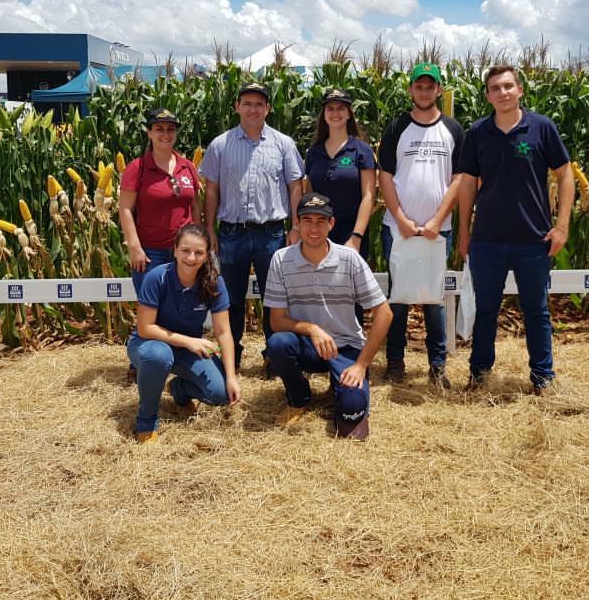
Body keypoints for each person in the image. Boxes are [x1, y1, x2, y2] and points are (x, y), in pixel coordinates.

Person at [457, 65, 574, 395]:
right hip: (487, 240)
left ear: (520, 90)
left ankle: (542, 378)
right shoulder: (478, 133)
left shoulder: (542, 128)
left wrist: (561, 227)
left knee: (536, 310)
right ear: (487, 96)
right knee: (486, 311)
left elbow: (565, 176)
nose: (503, 92)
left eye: (508, 86)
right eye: (495, 88)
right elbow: (467, 185)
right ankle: (479, 375)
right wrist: (464, 233)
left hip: (533, 240)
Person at [264, 193, 392, 440]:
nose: (313, 228)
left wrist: (361, 365)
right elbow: (276, 321)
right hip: (308, 346)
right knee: (277, 344)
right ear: (297, 223)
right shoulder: (281, 260)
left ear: (331, 224)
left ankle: (343, 390)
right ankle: (299, 397)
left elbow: (384, 314)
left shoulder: (349, 258)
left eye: (320, 221)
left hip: (345, 348)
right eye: (307, 220)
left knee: (352, 416)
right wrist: (312, 328)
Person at [199, 81, 305, 372]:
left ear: (268, 108)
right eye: (247, 103)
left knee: (274, 299)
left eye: (259, 104)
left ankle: (275, 356)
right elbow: (211, 191)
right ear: (236, 107)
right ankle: (230, 357)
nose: (253, 109)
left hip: (271, 232)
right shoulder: (220, 145)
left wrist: (295, 227)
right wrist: (210, 231)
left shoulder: (284, 144)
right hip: (231, 232)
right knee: (229, 298)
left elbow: (295, 187)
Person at [377, 62, 464, 388]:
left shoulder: (453, 129)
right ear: (411, 89)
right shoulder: (397, 127)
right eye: (419, 86)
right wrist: (400, 219)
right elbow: (385, 175)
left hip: (438, 229)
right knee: (398, 298)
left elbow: (458, 178)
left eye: (430, 86)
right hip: (397, 227)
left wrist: (437, 220)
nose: (424, 91)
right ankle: (395, 363)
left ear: (439, 90)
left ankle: (437, 366)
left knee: (433, 298)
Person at [127, 224, 241, 444]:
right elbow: (145, 327)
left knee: (221, 393)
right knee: (158, 356)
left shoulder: (214, 282)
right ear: (175, 249)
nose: (191, 257)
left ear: (207, 254)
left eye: (199, 252)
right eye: (185, 250)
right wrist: (188, 341)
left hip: (186, 349)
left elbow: (224, 331)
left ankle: (179, 390)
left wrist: (231, 377)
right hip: (149, 344)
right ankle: (146, 422)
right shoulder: (156, 278)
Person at [119, 108, 202, 294]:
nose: (166, 134)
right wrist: (134, 247)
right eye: (159, 129)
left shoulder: (187, 166)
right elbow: (125, 208)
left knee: (183, 306)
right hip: (150, 254)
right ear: (149, 132)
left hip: (184, 252)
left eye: (171, 129)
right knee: (152, 310)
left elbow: (195, 206)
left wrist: (199, 245)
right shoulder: (137, 168)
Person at [303, 88, 377, 259]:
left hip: (351, 234)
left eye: (340, 108)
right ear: (324, 114)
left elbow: (368, 196)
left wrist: (356, 237)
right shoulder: (314, 152)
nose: (335, 113)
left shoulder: (361, 150)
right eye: (330, 109)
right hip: (319, 233)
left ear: (349, 114)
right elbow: (309, 193)